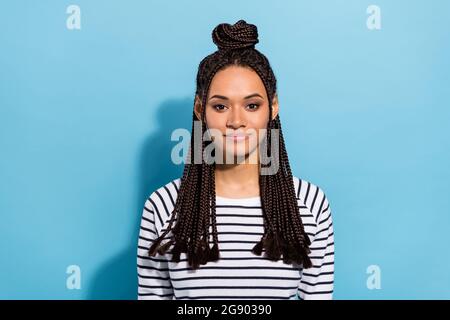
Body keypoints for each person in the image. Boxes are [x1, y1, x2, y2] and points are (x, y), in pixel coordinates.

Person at [137, 20, 334, 300]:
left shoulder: (311, 203)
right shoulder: (162, 206)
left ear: (273, 107)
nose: (237, 121)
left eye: (252, 105)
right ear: (199, 109)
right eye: (220, 106)